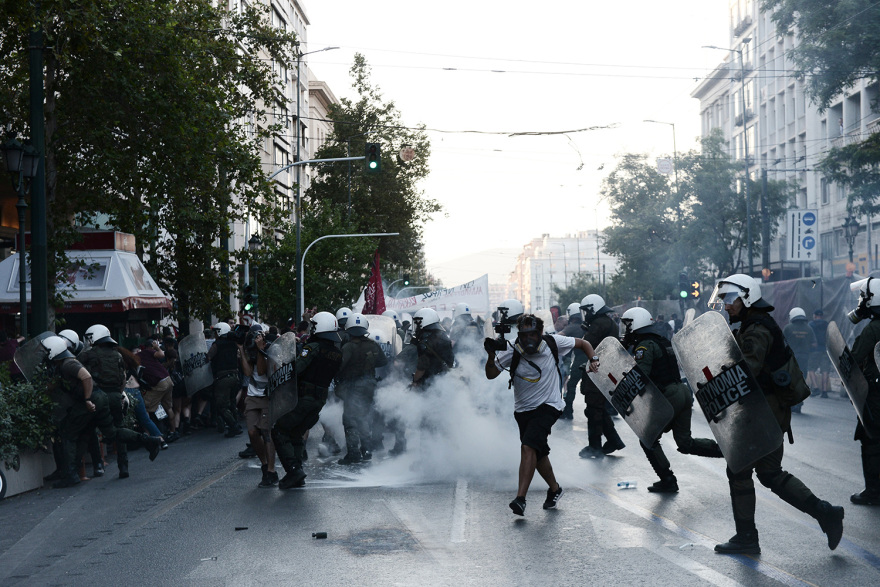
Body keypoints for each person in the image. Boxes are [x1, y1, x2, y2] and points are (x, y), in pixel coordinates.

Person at [707, 274, 844, 554]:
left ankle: (747, 537)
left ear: (747, 297)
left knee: (739, 470)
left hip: (764, 412)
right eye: (724, 300)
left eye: (730, 299)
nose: (727, 305)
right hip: (768, 411)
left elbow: (748, 370)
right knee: (769, 473)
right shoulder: (751, 324)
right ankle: (826, 513)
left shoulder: (757, 329)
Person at [484, 314, 599, 516]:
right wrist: (491, 355)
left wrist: (594, 359)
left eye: (533, 335)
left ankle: (520, 499)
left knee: (528, 447)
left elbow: (584, 343)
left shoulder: (553, 342)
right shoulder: (512, 348)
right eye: (524, 335)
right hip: (523, 410)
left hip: (549, 405)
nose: (529, 339)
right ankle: (555, 489)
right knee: (538, 453)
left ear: (540, 333)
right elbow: (491, 374)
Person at [620, 307, 723, 493]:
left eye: (628, 325)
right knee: (685, 443)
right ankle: (724, 451)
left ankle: (668, 480)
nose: (626, 329)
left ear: (636, 323)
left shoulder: (644, 346)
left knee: (648, 440)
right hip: (682, 392)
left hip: (668, 395)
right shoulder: (662, 341)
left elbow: (641, 374)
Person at [45, 336, 160, 488]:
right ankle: (149, 441)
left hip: (92, 399)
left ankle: (71, 474)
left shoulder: (68, 363)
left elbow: (86, 377)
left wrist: (87, 400)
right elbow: (122, 378)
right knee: (112, 431)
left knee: (68, 433)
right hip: (102, 397)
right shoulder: (111, 355)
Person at [272, 312, 343, 489]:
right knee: (296, 432)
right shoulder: (337, 353)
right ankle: (298, 474)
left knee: (280, 431)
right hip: (319, 401)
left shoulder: (312, 348)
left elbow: (298, 370)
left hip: (303, 398)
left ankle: (294, 470)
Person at [79, 324, 132, 478]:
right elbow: (123, 378)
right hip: (115, 396)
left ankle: (98, 465)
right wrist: (118, 393)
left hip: (98, 396)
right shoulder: (118, 355)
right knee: (119, 430)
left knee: (91, 430)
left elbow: (80, 374)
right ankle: (123, 467)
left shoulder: (88, 355)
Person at [845, 278, 880, 505]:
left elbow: (854, 359)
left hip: (876, 394)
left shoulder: (873, 328)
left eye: (863, 297)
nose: (860, 302)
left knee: (872, 441)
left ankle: (874, 492)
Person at [336, 313, 388, 464]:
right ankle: (366, 449)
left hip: (353, 387)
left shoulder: (348, 347)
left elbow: (339, 366)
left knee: (350, 419)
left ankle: (353, 453)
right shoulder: (373, 344)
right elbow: (383, 361)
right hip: (370, 386)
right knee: (363, 417)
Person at [578, 294, 626, 458]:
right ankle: (614, 440)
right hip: (603, 371)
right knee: (598, 409)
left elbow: (586, 344)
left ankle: (595, 447)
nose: (586, 314)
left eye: (587, 311)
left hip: (597, 372)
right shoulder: (607, 322)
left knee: (594, 410)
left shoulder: (599, 324)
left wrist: (585, 334)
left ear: (593, 309)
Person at [238, 324, 277, 488]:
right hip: (253, 395)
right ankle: (264, 463)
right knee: (253, 432)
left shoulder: (270, 348)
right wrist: (241, 350)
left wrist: (261, 349)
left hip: (269, 395)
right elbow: (248, 373)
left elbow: (261, 371)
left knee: (267, 433)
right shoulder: (248, 349)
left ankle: (271, 470)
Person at [207, 322, 244, 438]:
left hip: (223, 378)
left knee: (221, 405)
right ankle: (235, 424)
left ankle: (234, 426)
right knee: (232, 403)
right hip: (235, 376)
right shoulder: (233, 344)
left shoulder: (217, 344)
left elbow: (208, 357)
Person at [782, 307, 816, 413]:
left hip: (791, 358)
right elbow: (814, 344)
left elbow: (781, 343)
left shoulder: (788, 328)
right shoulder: (809, 328)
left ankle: (791, 403)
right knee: (801, 380)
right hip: (804, 358)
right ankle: (799, 403)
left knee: (790, 380)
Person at [411, 308, 455, 387]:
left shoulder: (424, 342)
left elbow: (421, 368)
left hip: (430, 383)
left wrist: (415, 380)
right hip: (447, 380)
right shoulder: (445, 336)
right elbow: (450, 361)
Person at [560, 302, 585, 420]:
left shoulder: (573, 326)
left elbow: (559, 336)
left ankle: (568, 410)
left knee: (571, 384)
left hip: (581, 358)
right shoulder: (586, 326)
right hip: (591, 357)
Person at [808, 309, 831, 398]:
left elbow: (809, 337)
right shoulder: (827, 324)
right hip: (825, 350)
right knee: (825, 370)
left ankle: (816, 388)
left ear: (814, 315)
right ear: (822, 316)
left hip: (814, 350)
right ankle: (824, 392)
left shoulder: (811, 324)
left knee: (811, 369)